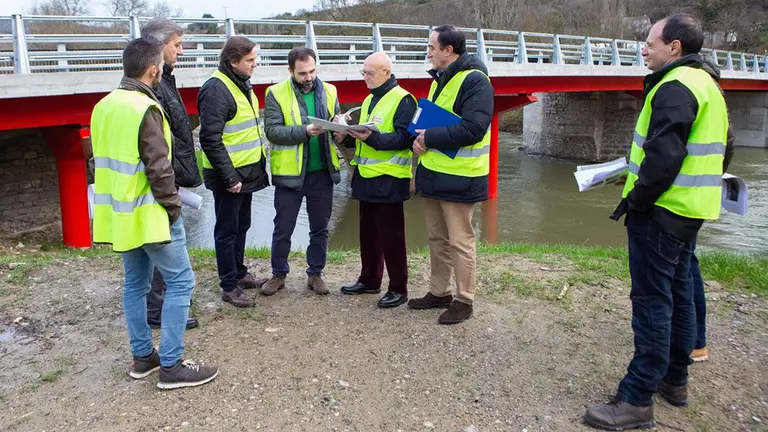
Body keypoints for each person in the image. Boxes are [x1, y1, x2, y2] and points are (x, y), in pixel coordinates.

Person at [585, 14, 729, 430]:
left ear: (675, 48)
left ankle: (636, 399)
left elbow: (664, 158)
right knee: (680, 291)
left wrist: (637, 200)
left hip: (663, 211)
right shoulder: (708, 83)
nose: (644, 49)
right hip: (691, 209)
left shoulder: (674, 86)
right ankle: (674, 379)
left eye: (650, 43)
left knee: (652, 301)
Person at [91, 37, 218, 389]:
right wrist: (174, 210)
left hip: (120, 215)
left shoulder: (104, 105)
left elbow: (100, 162)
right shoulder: (145, 108)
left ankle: (143, 357)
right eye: (161, 67)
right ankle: (173, 365)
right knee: (181, 282)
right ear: (152, 70)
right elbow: (159, 170)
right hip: (151, 215)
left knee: (135, 284)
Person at [406, 25, 494, 324]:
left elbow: (473, 129)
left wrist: (428, 138)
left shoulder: (475, 81)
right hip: (434, 174)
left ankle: (464, 300)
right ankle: (439, 291)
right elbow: (432, 123)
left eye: (432, 47)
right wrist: (418, 140)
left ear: (449, 50)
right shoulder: (441, 79)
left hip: (461, 178)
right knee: (436, 238)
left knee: (460, 241)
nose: (428, 52)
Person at [338, 52, 417, 308]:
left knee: (392, 237)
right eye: (363, 73)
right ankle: (369, 279)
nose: (365, 78)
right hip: (366, 176)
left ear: (386, 72)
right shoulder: (370, 98)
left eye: (370, 73)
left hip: (390, 178)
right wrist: (345, 135)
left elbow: (404, 139)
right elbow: (365, 136)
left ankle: (398, 288)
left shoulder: (404, 99)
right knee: (368, 234)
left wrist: (368, 137)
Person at [261, 47, 342, 296]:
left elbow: (335, 119)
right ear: (290, 71)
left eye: (312, 71)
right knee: (283, 228)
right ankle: (278, 274)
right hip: (290, 175)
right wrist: (304, 132)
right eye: (303, 73)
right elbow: (273, 131)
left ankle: (315, 274)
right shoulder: (275, 93)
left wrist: (340, 127)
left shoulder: (330, 90)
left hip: (322, 173)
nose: (309, 77)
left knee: (320, 228)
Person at [198, 36, 270, 308]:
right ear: (233, 61)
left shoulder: (240, 83)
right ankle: (229, 285)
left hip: (246, 173)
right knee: (227, 231)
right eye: (250, 60)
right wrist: (230, 177)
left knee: (241, 226)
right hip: (231, 177)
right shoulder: (217, 89)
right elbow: (210, 139)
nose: (255, 64)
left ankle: (239, 273)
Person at [140, 18, 202, 330]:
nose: (181, 50)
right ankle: (158, 311)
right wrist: (171, 190)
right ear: (158, 46)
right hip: (164, 182)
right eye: (176, 44)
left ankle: (156, 306)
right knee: (164, 246)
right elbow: (159, 144)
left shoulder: (165, 81)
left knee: (159, 248)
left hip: (171, 177)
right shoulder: (154, 87)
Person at [688, 56, 736, 364]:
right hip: (696, 198)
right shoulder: (715, 99)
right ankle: (694, 340)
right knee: (687, 266)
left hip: (679, 201)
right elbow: (726, 150)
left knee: (683, 271)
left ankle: (692, 342)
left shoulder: (689, 94)